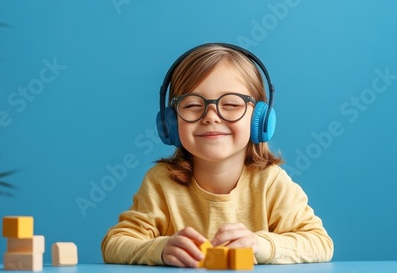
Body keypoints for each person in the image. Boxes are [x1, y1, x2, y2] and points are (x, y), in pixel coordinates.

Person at [101, 43, 334, 267]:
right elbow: (114, 243)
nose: (211, 117)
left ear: (259, 119)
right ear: (171, 122)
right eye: (192, 105)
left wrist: (261, 245)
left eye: (232, 104)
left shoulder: (271, 183)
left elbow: (320, 243)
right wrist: (159, 250)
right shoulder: (161, 182)